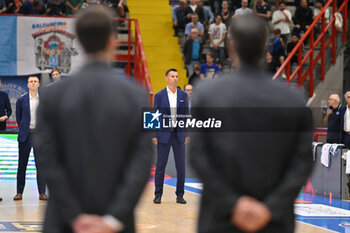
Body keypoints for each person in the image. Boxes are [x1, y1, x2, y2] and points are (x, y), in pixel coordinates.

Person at [190, 14, 313, 233]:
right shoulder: (293, 99)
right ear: (265, 47)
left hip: (221, 219)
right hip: (273, 222)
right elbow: (302, 163)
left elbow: (199, 156)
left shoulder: (208, 95)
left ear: (230, 46)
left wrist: (234, 203)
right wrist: (269, 208)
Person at [34, 7, 152, 233]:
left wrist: (75, 216)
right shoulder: (138, 96)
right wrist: (113, 218)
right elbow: (143, 161)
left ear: (78, 40)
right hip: (117, 223)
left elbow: (47, 159)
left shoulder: (51, 96)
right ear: (112, 40)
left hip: (63, 222)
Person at [152, 68, 189, 205]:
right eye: (172, 76)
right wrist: (154, 135)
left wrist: (186, 133)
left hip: (178, 134)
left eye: (177, 76)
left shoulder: (183, 95)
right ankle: (158, 195)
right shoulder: (159, 95)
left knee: (181, 167)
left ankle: (180, 195)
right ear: (166, 78)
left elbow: (185, 115)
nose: (175, 78)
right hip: (163, 134)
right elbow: (154, 115)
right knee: (160, 166)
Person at [14, 76, 47, 201]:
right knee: (22, 165)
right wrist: (24, 129)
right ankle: (19, 192)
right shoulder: (21, 100)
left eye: (35, 82)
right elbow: (19, 118)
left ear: (38, 84)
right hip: (25, 136)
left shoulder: (44, 100)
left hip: (40, 136)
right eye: (31, 82)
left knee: (41, 166)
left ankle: (42, 192)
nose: (33, 83)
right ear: (27, 84)